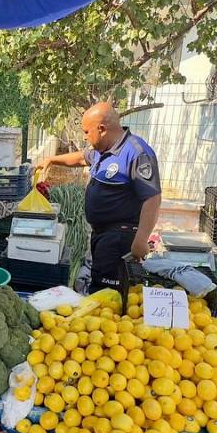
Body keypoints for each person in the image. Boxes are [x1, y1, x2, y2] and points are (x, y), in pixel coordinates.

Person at [36, 102, 162, 291]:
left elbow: (152, 199)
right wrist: (52, 160)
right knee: (99, 284)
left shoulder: (136, 153)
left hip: (120, 237)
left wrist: (141, 239)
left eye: (87, 132)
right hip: (102, 234)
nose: (85, 137)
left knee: (108, 293)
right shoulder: (101, 150)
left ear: (102, 129)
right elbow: (80, 158)